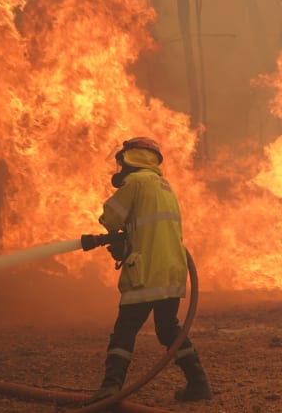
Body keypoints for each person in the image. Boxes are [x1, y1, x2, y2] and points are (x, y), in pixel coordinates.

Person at [87, 136, 212, 404]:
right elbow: (150, 228)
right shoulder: (164, 186)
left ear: (132, 158)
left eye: (122, 162)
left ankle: (111, 388)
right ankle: (199, 384)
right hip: (171, 270)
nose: (120, 168)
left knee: (125, 329)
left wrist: (116, 231)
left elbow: (111, 218)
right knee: (168, 329)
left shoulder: (135, 183)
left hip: (146, 272)